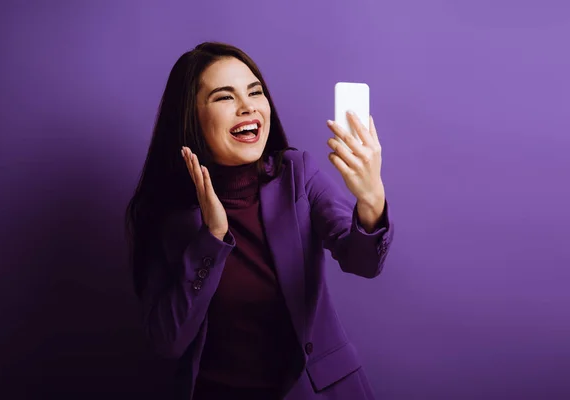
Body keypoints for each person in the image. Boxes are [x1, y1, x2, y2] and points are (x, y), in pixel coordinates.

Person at [125, 42, 394, 400]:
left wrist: (371, 197)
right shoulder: (163, 215)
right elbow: (168, 340)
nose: (248, 106)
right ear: (190, 117)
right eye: (224, 97)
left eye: (255, 91)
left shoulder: (298, 174)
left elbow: (363, 261)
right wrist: (212, 236)